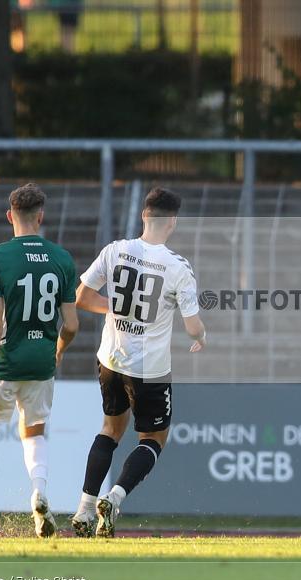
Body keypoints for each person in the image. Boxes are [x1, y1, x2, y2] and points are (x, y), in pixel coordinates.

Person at [71, 186, 206, 538]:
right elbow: (193, 327)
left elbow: (82, 298)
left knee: (110, 430)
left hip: (111, 359)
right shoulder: (178, 267)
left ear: (144, 215)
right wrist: (201, 337)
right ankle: (114, 498)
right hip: (149, 369)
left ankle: (84, 509)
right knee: (153, 437)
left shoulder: (115, 250)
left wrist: (112, 307)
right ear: (172, 222)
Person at [0, 183, 78, 540]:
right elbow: (71, 324)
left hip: (6, 363)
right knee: (34, 432)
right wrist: (57, 351)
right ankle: (38, 492)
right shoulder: (62, 258)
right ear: (41, 216)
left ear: (10, 216)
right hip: (41, 365)